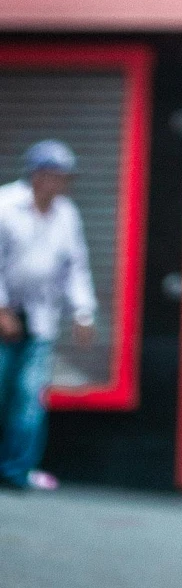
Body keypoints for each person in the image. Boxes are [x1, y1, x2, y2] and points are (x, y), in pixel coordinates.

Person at [0, 139, 97, 492]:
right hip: (5, 313)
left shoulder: (66, 214)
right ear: (37, 175)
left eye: (65, 178)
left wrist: (83, 312)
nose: (61, 184)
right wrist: (1, 308)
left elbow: (75, 267)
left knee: (29, 398)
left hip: (40, 318)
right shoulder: (5, 205)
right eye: (55, 176)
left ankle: (15, 471)